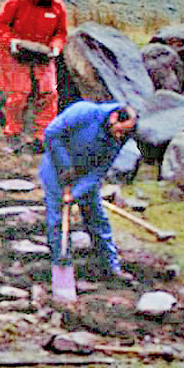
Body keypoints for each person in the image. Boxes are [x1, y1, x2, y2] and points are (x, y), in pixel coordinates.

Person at [40, 101, 138, 291]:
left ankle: (111, 267)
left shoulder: (121, 136)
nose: (120, 136)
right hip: (56, 168)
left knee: (97, 219)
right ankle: (63, 268)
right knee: (57, 220)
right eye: (120, 130)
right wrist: (65, 167)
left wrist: (76, 193)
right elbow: (52, 133)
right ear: (114, 118)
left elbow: (99, 171)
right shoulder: (84, 112)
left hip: (86, 174)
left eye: (125, 134)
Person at [0, 0, 68, 153]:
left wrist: (57, 46)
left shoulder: (57, 6)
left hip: (43, 53)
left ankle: (42, 137)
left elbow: (61, 32)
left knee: (48, 93)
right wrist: (11, 42)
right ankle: (13, 133)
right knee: (19, 93)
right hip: (16, 52)